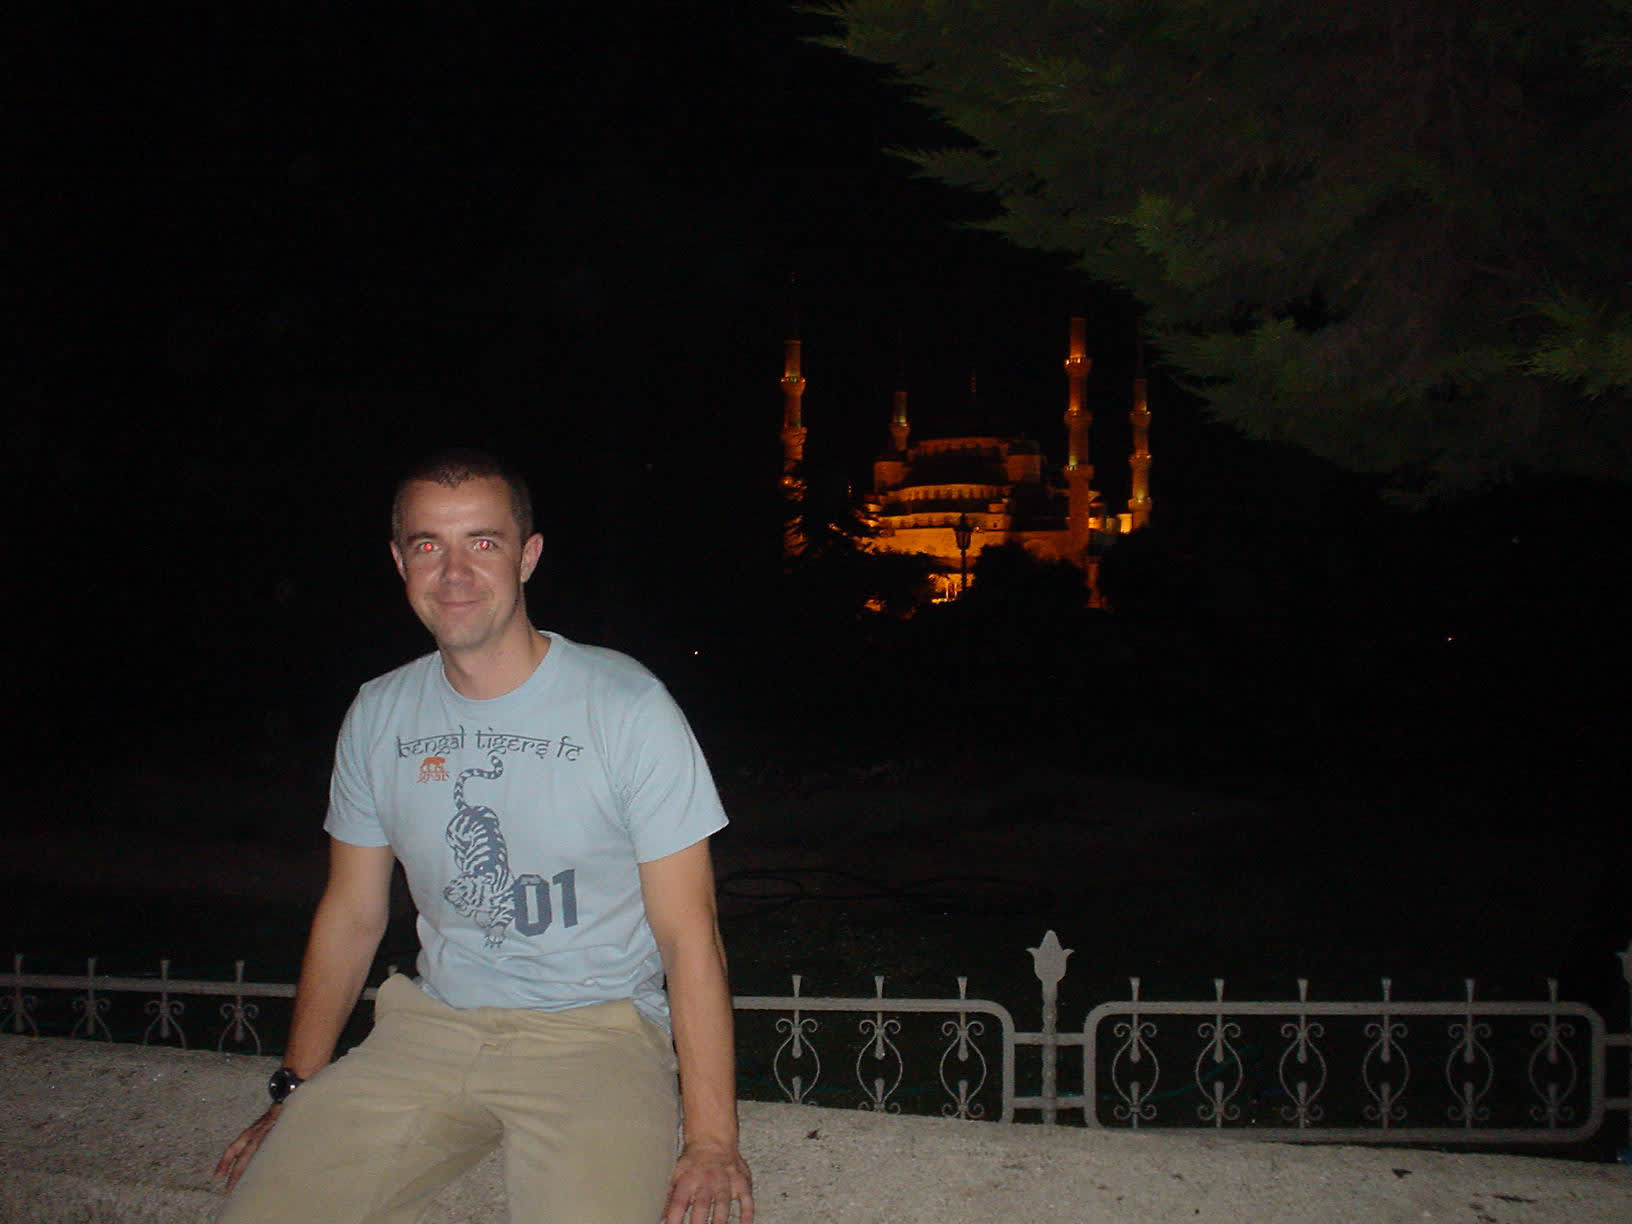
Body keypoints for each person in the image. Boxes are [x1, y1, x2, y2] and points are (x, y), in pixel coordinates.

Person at [215, 449, 752, 1223]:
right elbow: (353, 914)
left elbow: (689, 937)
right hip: (427, 1028)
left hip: (597, 1035)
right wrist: (295, 1090)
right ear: (399, 561)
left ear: (528, 556)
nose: (455, 572)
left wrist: (710, 1140)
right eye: (430, 545)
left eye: (484, 543)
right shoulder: (378, 714)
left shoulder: (628, 707)